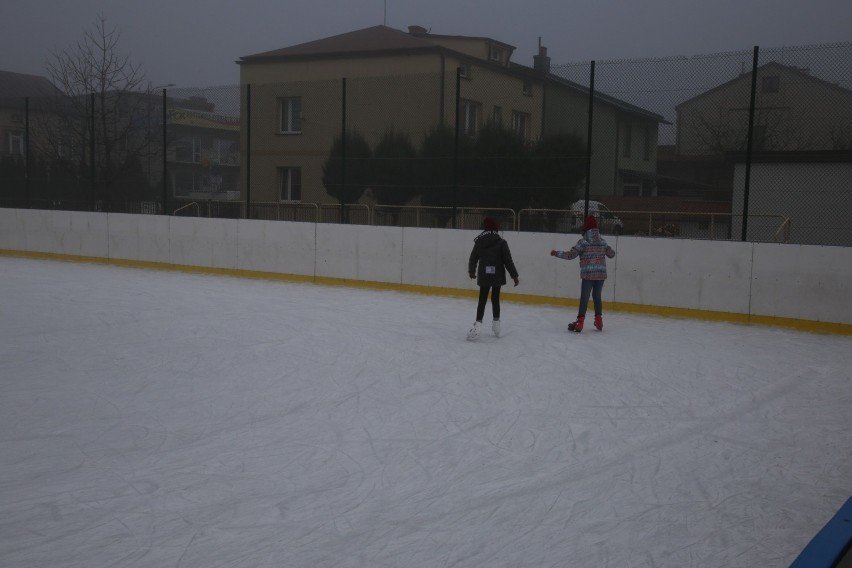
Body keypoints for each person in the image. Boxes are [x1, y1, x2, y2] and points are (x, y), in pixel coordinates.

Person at [550, 215, 616, 332]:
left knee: (585, 298)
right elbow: (611, 254)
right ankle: (599, 321)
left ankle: (580, 323)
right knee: (597, 297)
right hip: (600, 274)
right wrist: (605, 248)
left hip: (588, 275)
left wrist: (556, 253)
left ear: (585, 229)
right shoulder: (602, 241)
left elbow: (570, 255)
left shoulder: (583, 242)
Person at [467, 217, 519, 341]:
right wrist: (514, 276)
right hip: (497, 275)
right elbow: (508, 261)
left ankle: (477, 326)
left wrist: (472, 271)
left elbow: (473, 258)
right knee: (495, 299)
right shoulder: (501, 242)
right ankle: (496, 326)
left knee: (482, 300)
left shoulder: (479, 241)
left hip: (484, 274)